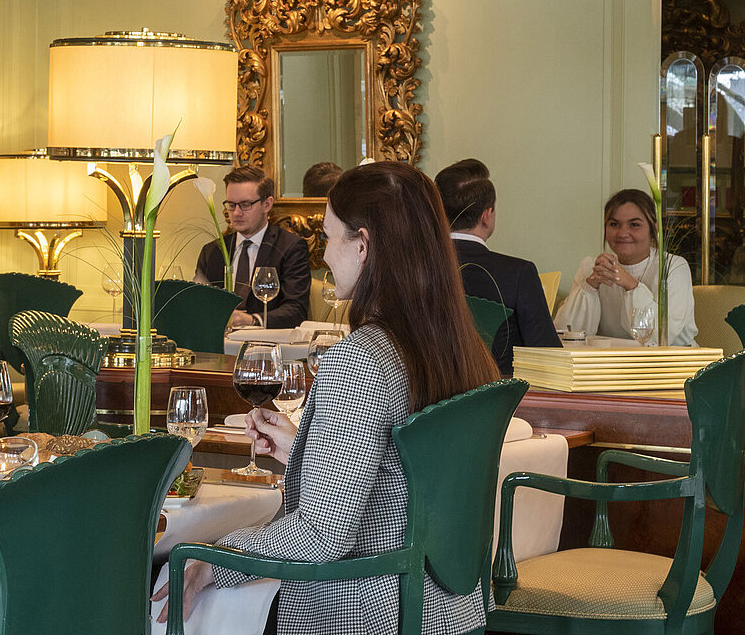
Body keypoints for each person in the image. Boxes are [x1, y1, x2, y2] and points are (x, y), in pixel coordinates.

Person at [159, 161, 500, 635]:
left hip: (361, 610)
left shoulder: (360, 358)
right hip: (447, 607)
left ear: (363, 245)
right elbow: (406, 479)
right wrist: (305, 448)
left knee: (177, 571)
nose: (323, 257)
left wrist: (219, 558)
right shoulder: (462, 347)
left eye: (329, 238)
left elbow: (323, 534)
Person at [434, 158, 561, 375]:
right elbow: (548, 358)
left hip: (424, 405)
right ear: (486, 216)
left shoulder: (410, 271)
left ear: (438, 214)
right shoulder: (518, 274)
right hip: (500, 404)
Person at [557, 188, 697, 346]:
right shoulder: (593, 267)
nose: (623, 233)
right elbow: (565, 335)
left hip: (671, 363)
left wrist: (630, 284)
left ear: (654, 229)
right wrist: (590, 286)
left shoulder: (672, 267)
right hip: (608, 364)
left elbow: (660, 339)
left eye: (634, 225)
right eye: (614, 224)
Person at [194, 166, 312, 330]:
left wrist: (251, 320)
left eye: (245, 205)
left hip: (266, 346)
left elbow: (296, 310)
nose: (236, 213)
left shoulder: (290, 247)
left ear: (267, 204)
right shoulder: (212, 251)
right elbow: (199, 304)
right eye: (231, 205)